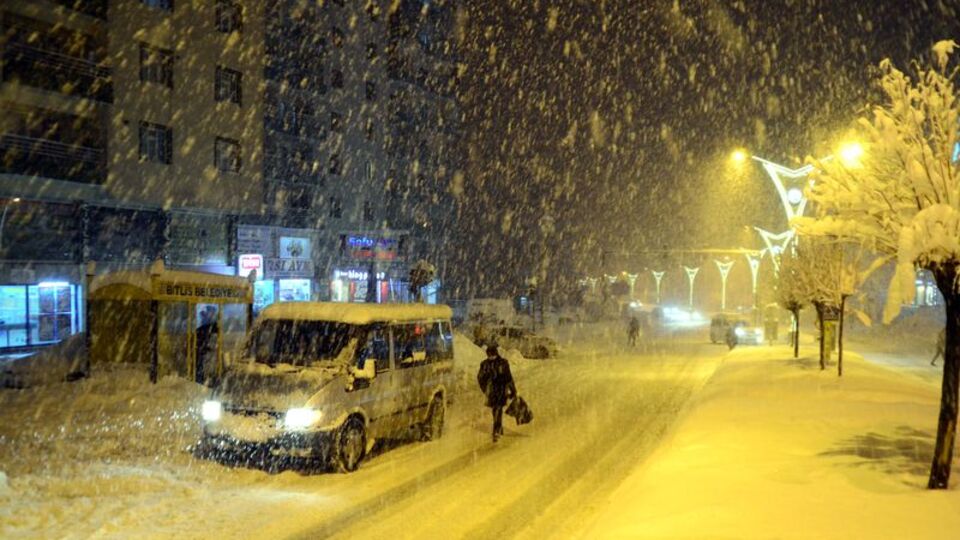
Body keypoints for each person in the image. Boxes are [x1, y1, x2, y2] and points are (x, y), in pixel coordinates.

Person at [477, 345, 517, 442]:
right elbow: (480, 378)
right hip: (492, 391)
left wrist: (513, 390)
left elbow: (508, 377)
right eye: (489, 355)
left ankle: (497, 430)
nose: (490, 357)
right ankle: (498, 428)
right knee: (496, 410)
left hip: (500, 390)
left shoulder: (503, 363)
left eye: (492, 355)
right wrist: (485, 389)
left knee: (497, 409)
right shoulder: (485, 364)